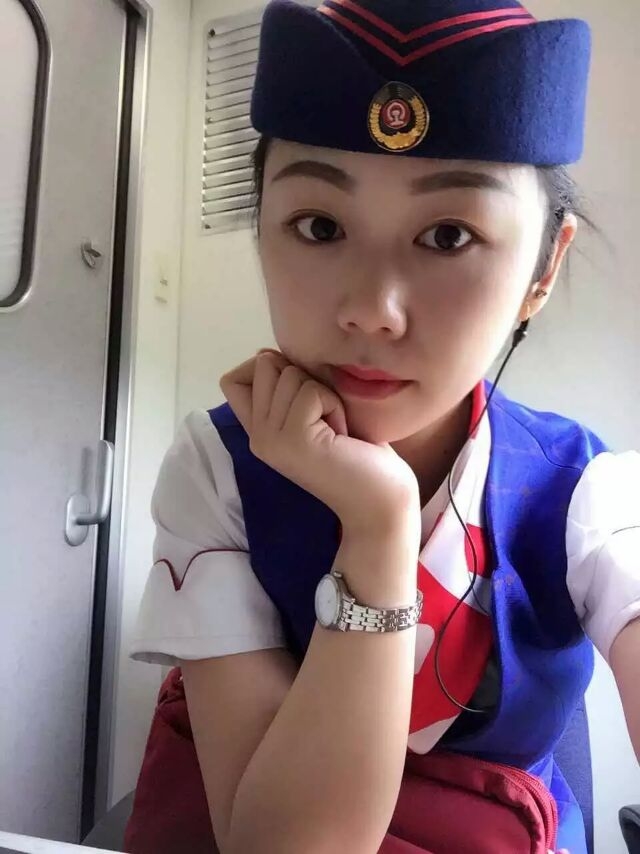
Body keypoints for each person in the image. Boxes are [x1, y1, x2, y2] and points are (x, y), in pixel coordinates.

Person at [127, 1, 640, 852]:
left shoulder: (590, 492)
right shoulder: (218, 470)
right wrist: (377, 529)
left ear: (543, 269)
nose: (372, 310)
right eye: (319, 226)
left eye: (449, 235)